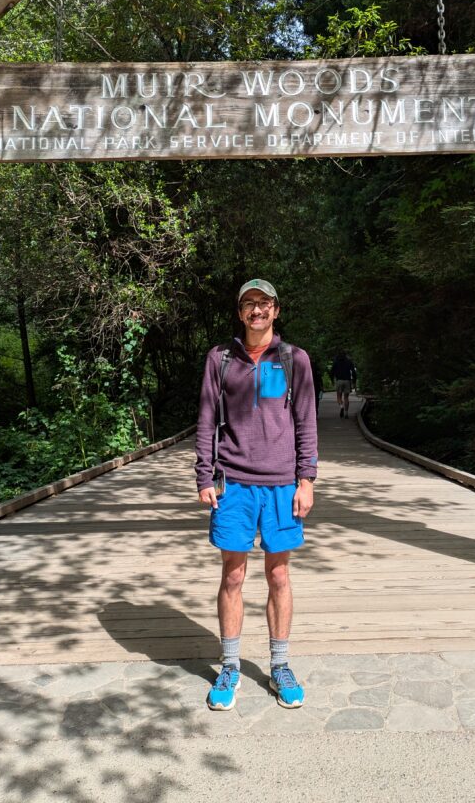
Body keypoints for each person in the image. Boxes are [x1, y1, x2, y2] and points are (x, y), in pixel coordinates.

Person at [195, 278, 318, 711]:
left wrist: (307, 479)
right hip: (234, 484)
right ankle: (229, 665)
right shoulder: (220, 359)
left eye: (263, 304)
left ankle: (280, 665)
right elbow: (207, 419)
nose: (256, 311)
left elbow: (306, 421)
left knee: (279, 575)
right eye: (249, 304)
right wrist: (203, 477)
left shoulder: (294, 360)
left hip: (283, 484)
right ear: (240, 312)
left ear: (276, 311)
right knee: (232, 575)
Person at [330, 349, 356, 418]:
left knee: (339, 396)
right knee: (346, 398)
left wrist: (332, 380)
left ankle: (341, 407)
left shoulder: (336, 362)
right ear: (345, 355)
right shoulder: (349, 361)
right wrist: (354, 381)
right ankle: (346, 413)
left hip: (339, 381)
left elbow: (331, 372)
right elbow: (353, 371)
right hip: (347, 381)